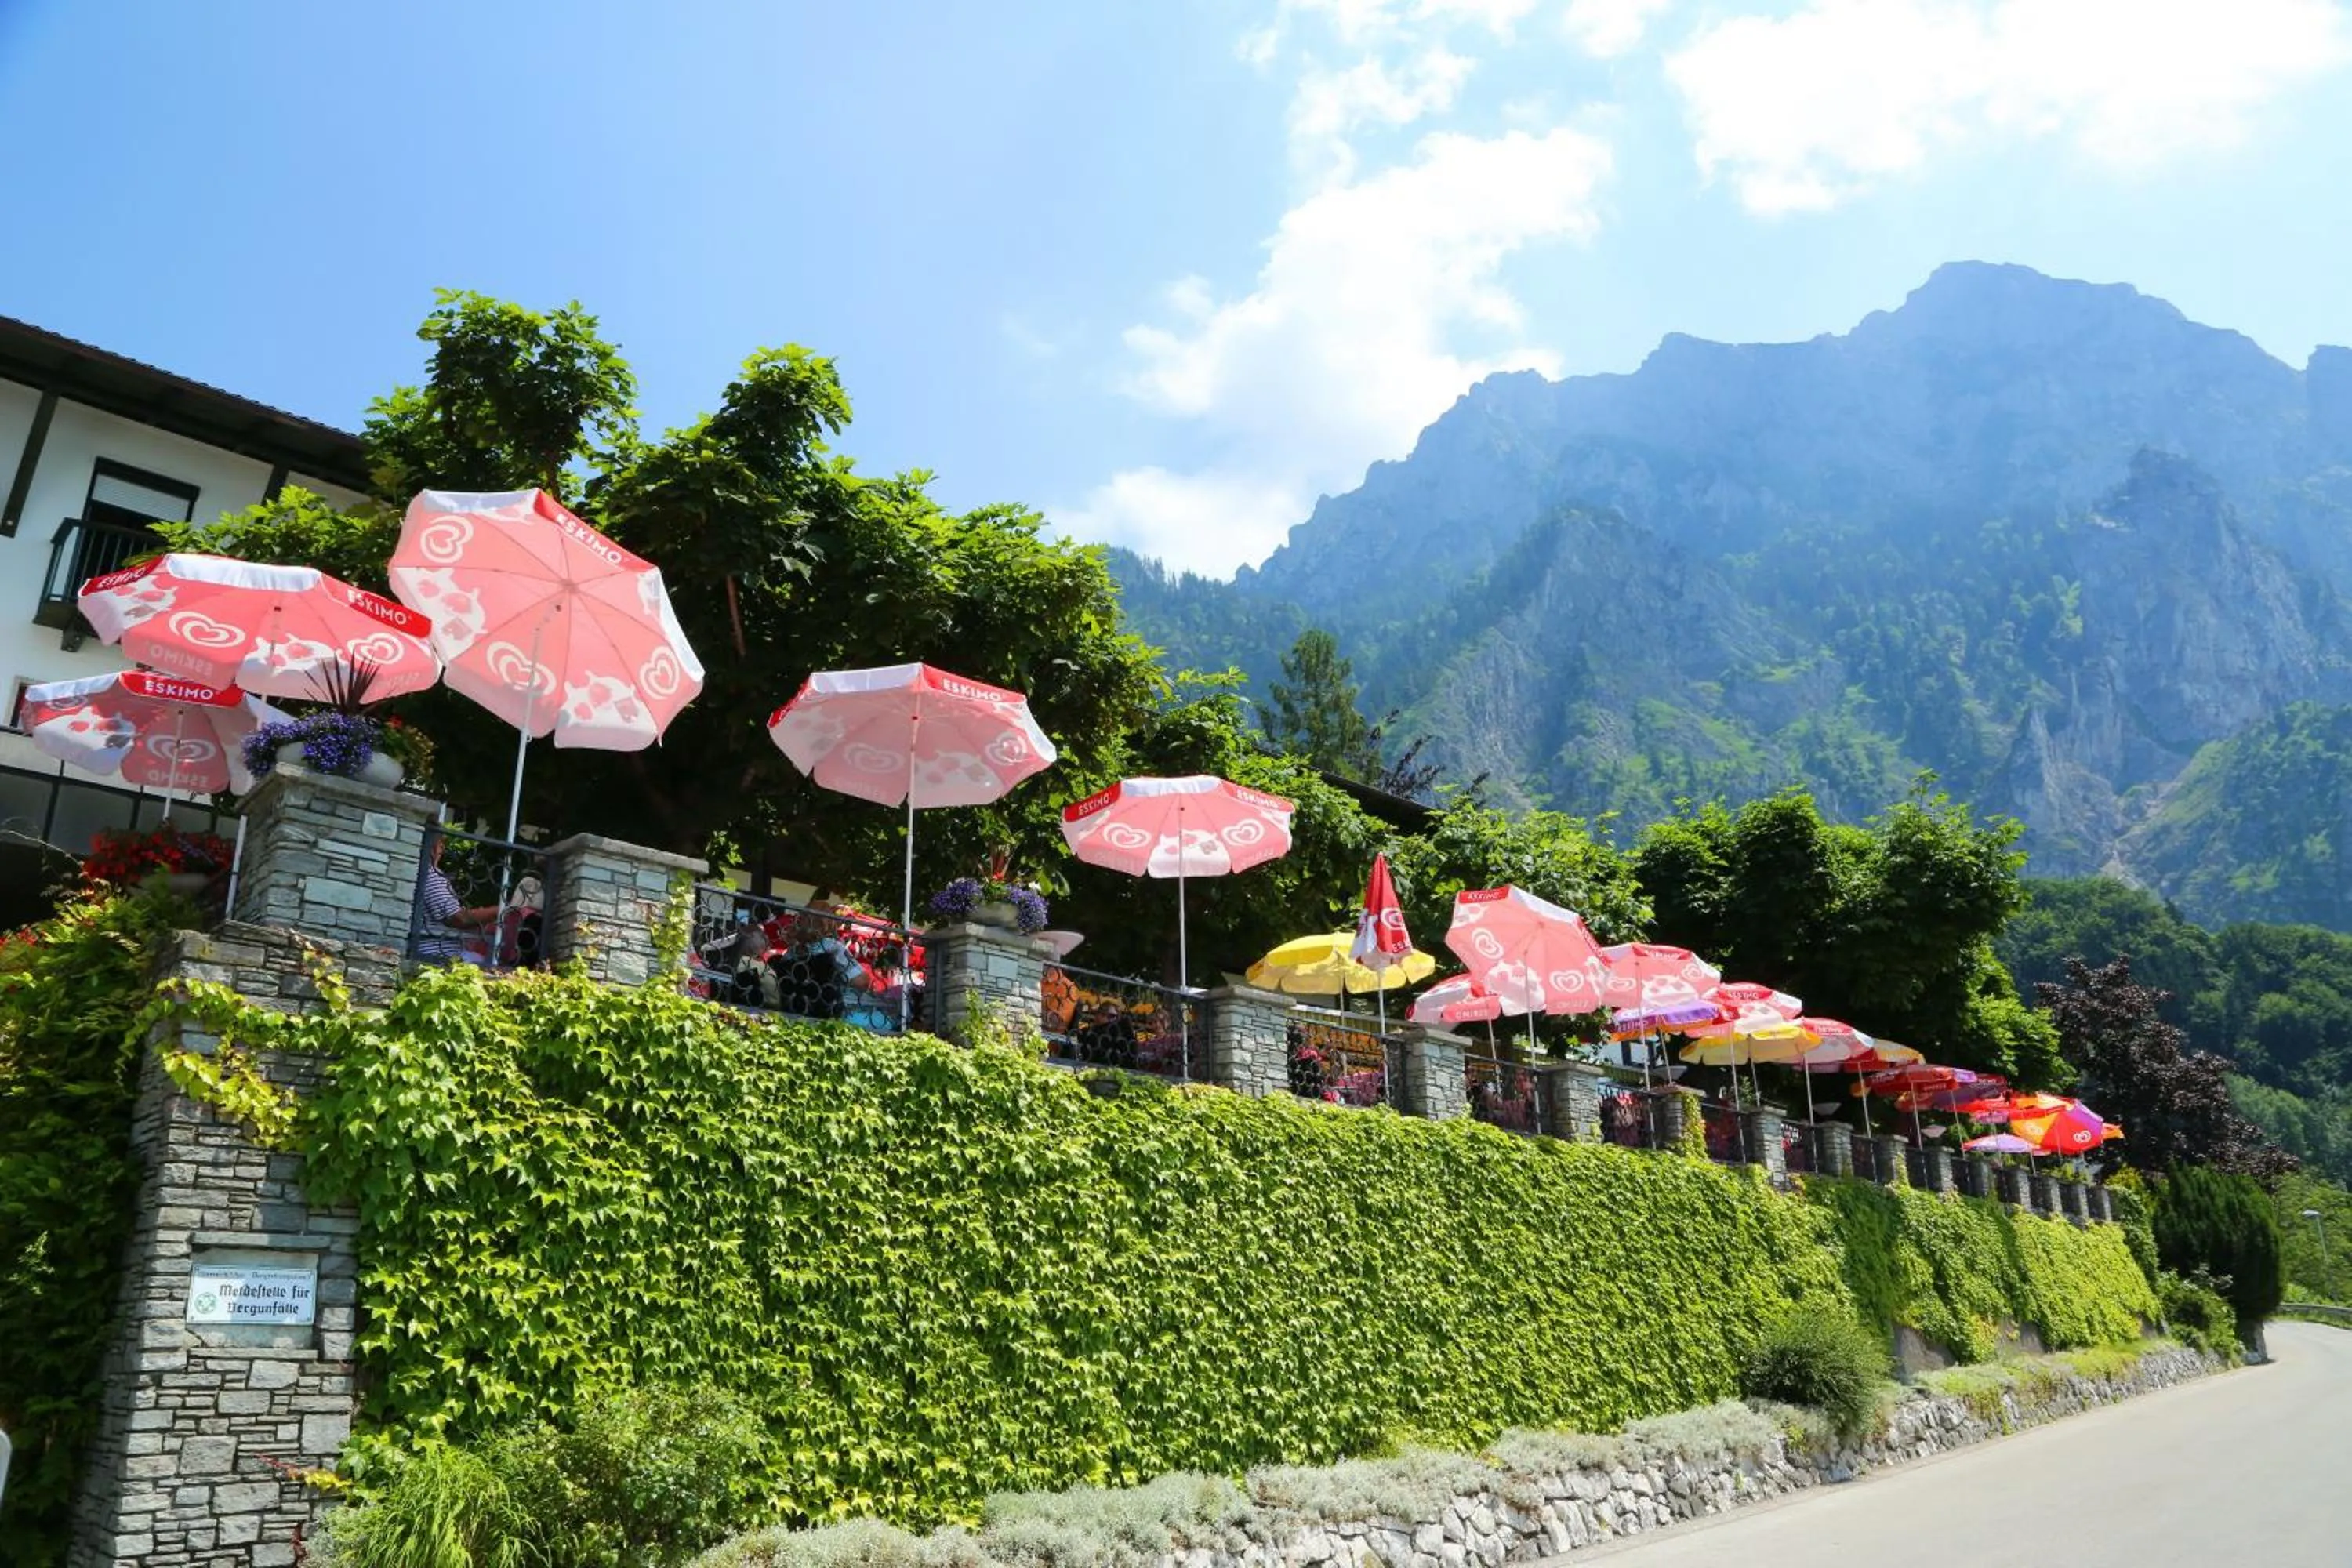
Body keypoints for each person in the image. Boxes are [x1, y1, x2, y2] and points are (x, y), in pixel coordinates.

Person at [412, 837, 501, 966]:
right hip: (438, 954)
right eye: (440, 842)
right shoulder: (430, 873)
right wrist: (500, 910)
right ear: (429, 846)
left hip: (436, 951)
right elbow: (458, 918)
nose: (443, 847)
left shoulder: (416, 871)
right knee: (500, 968)